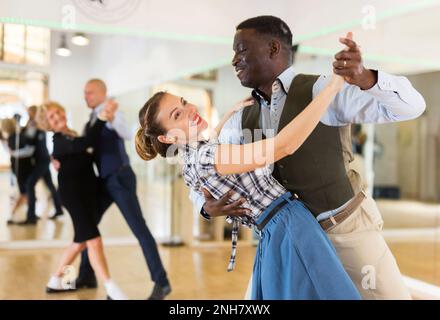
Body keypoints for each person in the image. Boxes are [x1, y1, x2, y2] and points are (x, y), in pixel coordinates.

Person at [191, 16, 426, 299]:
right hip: (286, 242)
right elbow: (206, 176)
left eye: (241, 50)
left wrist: (366, 77)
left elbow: (411, 107)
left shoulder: (324, 89)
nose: (234, 60)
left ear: (273, 49)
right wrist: (206, 208)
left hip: (343, 232)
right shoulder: (239, 118)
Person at [135, 71, 362, 299]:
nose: (190, 110)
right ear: (167, 138)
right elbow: (283, 146)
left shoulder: (188, 161)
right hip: (289, 224)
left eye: (184, 102)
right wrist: (331, 89)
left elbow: (210, 142)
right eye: (177, 114)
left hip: (273, 232)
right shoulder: (207, 157)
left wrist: (227, 115)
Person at [71, 79, 171, 300]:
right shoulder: (92, 119)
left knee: (139, 229)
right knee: (88, 227)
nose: (85, 97)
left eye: (89, 93)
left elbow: (128, 133)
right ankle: (87, 276)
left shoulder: (113, 112)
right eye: (84, 93)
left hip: (120, 178)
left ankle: (162, 283)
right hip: (105, 180)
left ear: (101, 93)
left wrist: (113, 115)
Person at [37, 101, 127, 300]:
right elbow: (87, 143)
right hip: (73, 197)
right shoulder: (60, 139)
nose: (58, 116)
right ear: (48, 124)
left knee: (80, 241)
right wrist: (102, 118)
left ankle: (55, 280)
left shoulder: (71, 134)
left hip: (86, 193)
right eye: (52, 117)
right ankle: (111, 289)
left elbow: (83, 149)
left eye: (58, 111)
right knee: (94, 240)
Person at [16, 106, 63, 225]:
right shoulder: (32, 124)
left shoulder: (36, 125)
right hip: (41, 159)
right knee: (50, 185)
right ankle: (59, 209)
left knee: (30, 184)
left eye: (29, 112)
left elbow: (29, 140)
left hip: (42, 160)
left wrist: (21, 135)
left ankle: (31, 216)